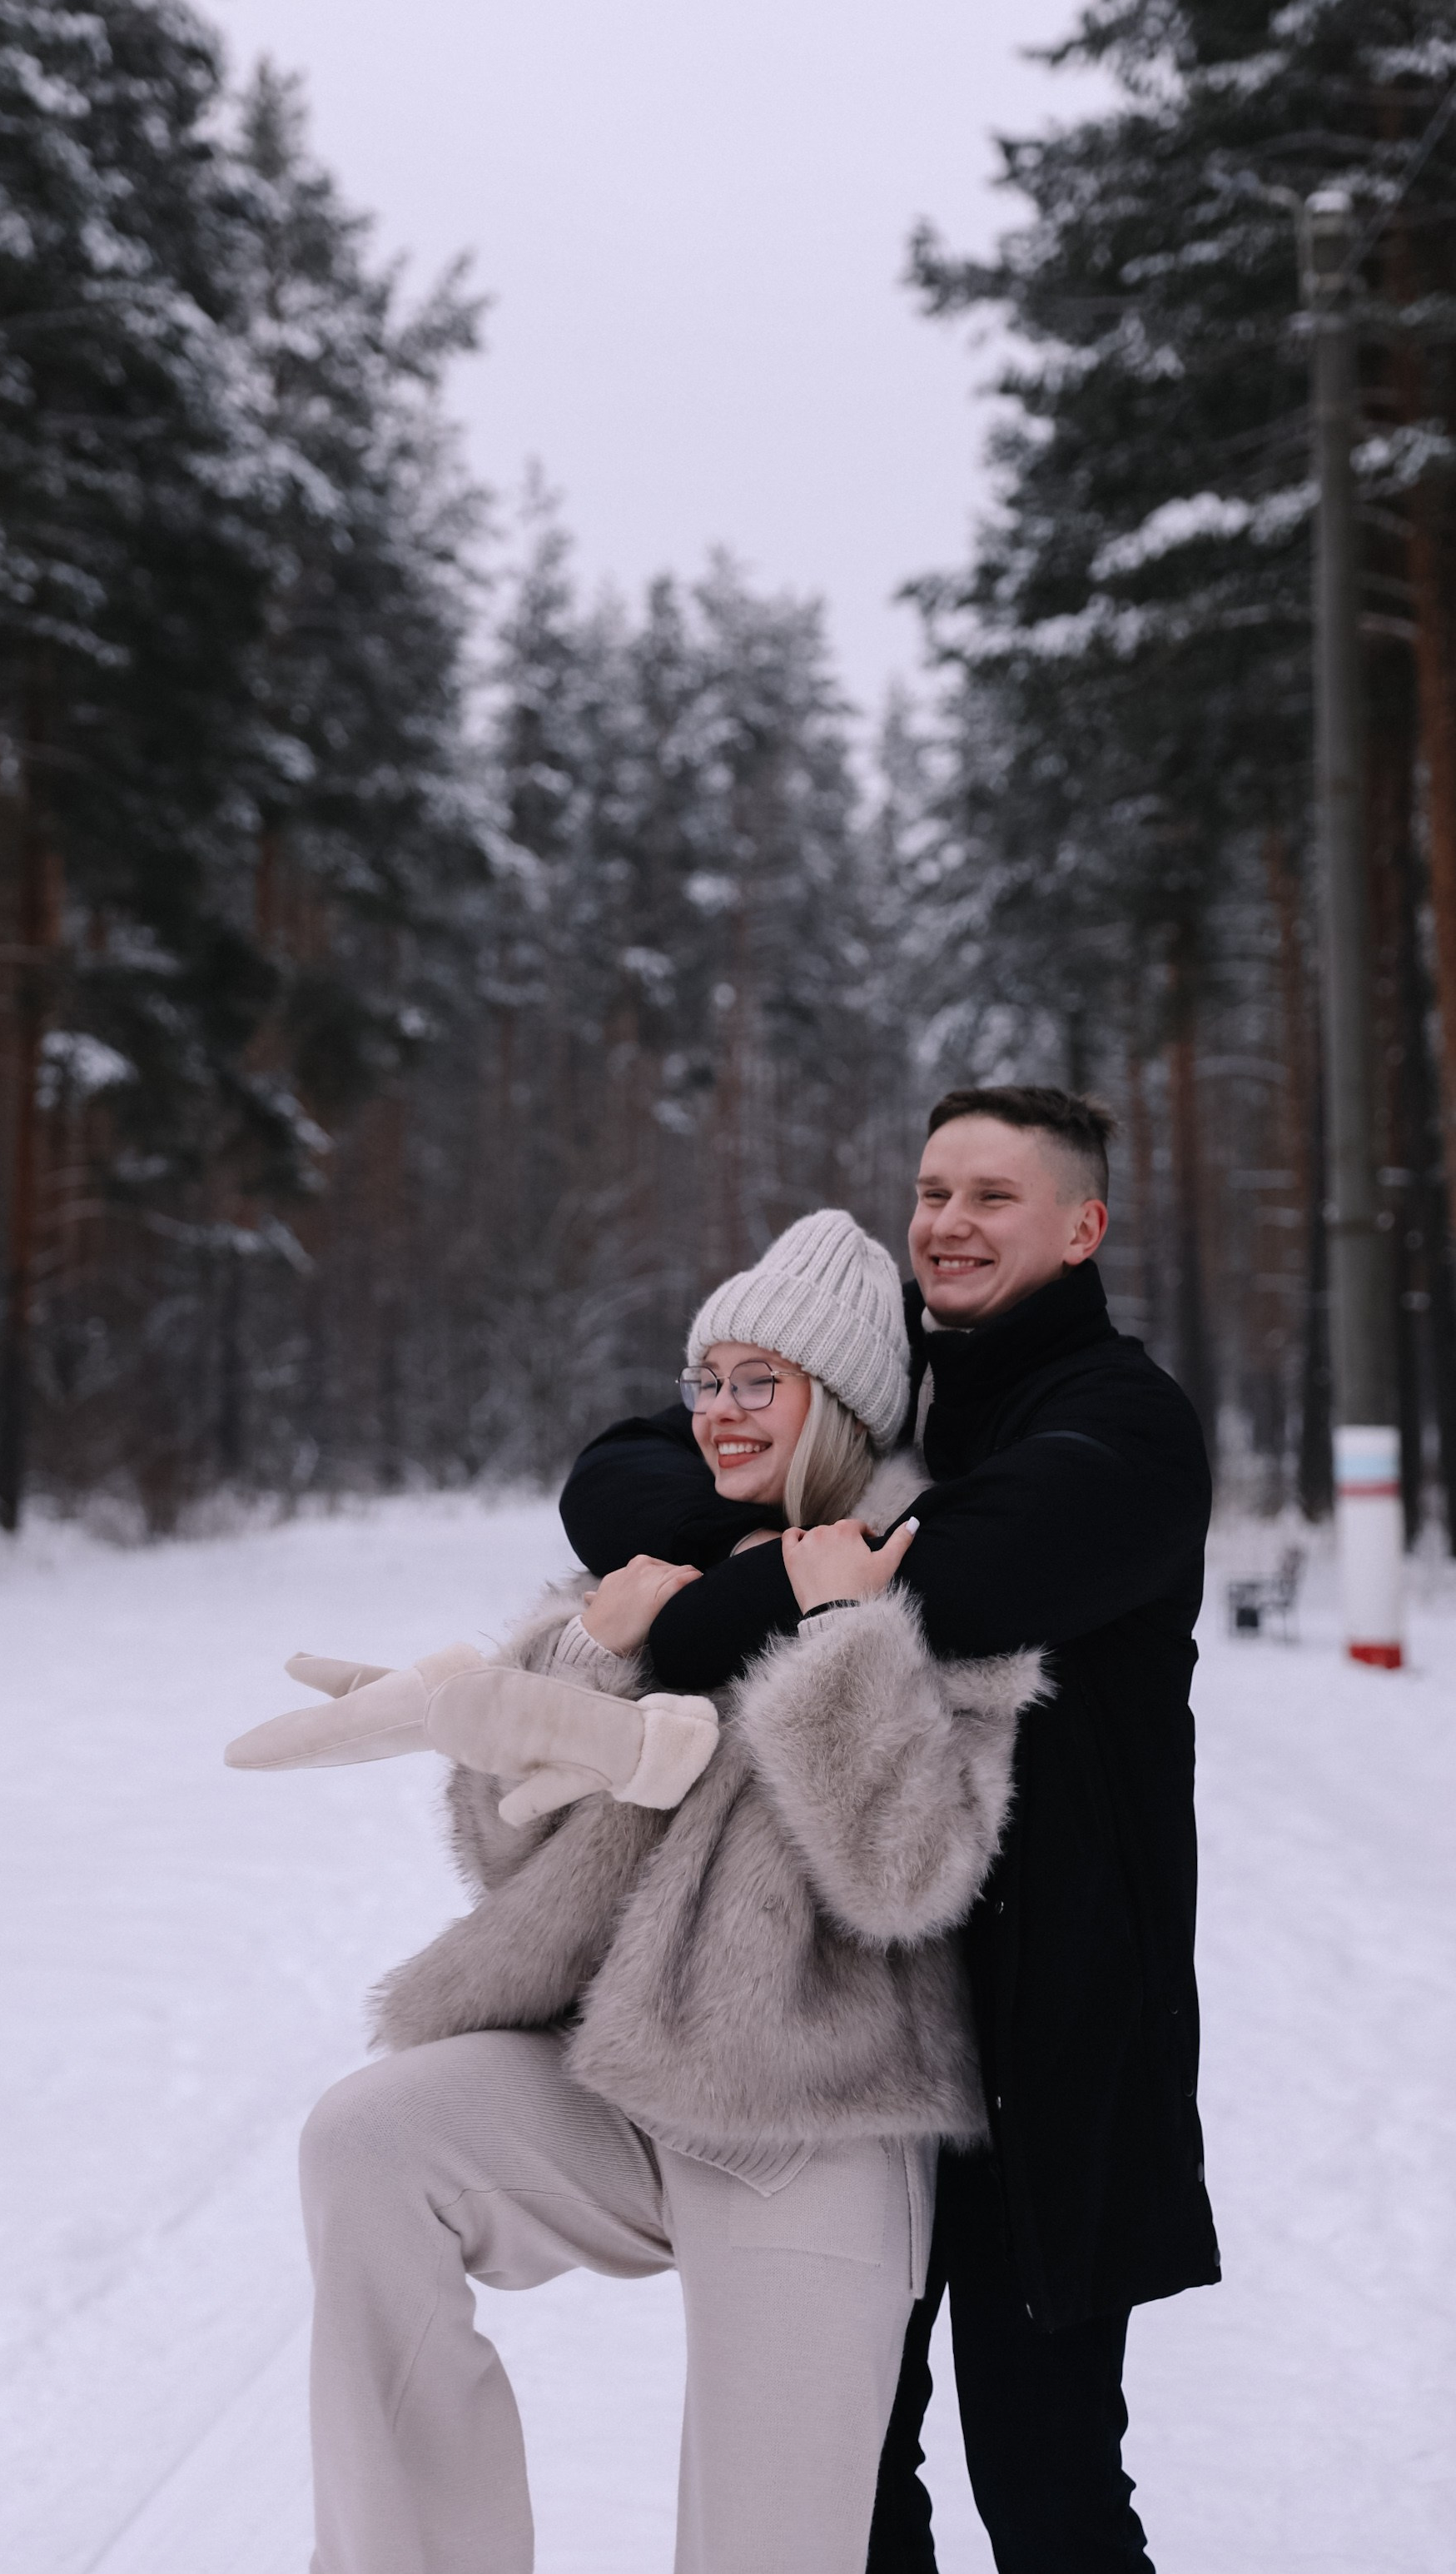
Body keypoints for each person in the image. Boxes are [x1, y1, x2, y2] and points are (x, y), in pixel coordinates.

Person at [226, 1209, 1049, 2574]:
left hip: (818, 2121)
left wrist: (844, 1637)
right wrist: (596, 1667)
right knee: (369, 2141)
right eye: (705, 1380)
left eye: (757, 1383)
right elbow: (509, 1866)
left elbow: (909, 1880)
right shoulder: (634, 1580)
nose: (719, 1414)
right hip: (617, 2090)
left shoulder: (928, 1590)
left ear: (836, 1399)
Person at [560, 1086, 1220, 2573]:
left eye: (993, 1196)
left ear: (1081, 1226)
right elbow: (621, 1467)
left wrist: (707, 1606)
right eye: (932, 1191)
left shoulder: (1126, 1424)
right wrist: (785, 1547)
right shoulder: (904, 1386)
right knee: (848, 2471)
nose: (948, 1222)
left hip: (1047, 2040)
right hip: (867, 2032)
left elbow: (952, 1589)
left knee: (1048, 2483)